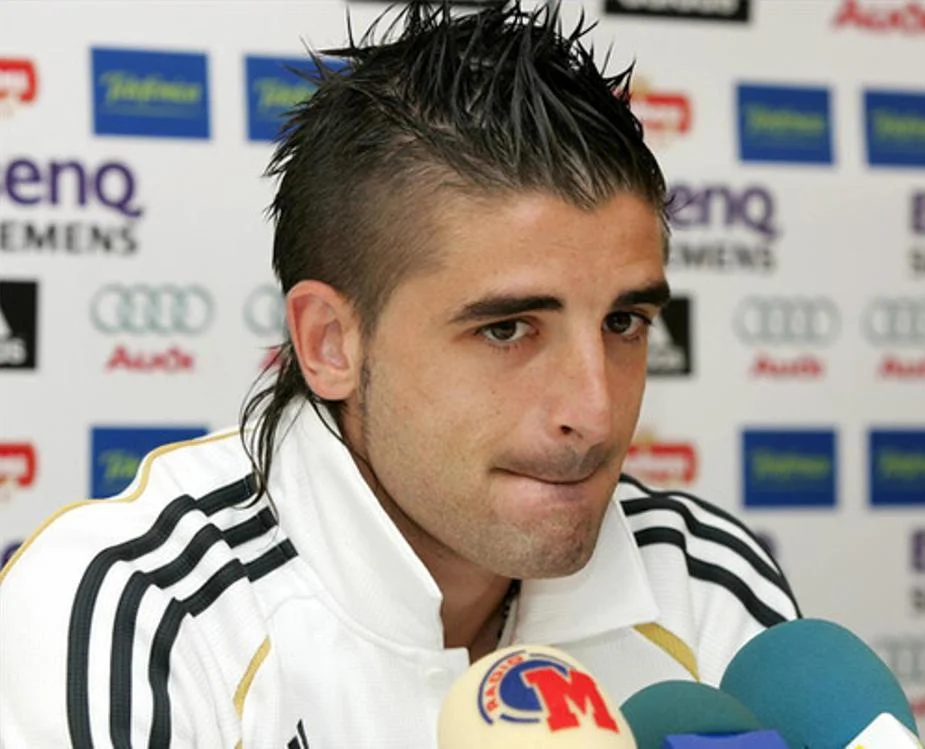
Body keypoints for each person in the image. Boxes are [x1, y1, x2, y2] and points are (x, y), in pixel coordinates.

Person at [0, 2, 800, 746]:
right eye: (507, 329)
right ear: (330, 343)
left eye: (623, 323)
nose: (594, 413)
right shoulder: (140, 613)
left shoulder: (704, 581)